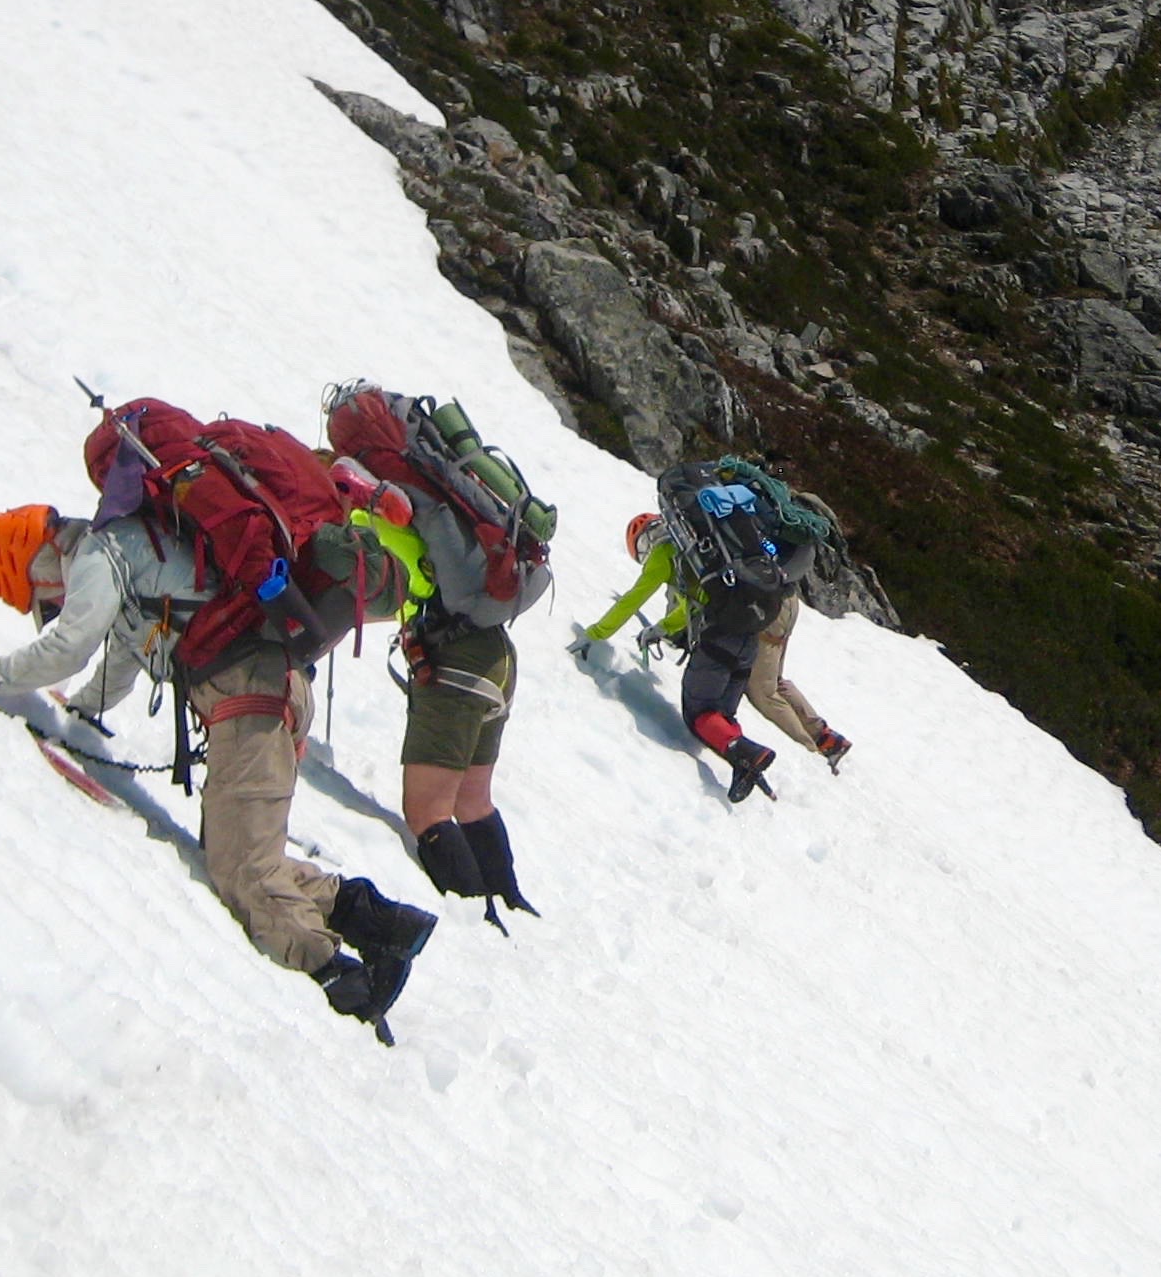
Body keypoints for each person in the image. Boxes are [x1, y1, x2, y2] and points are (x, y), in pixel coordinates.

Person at [0, 501, 436, 1036]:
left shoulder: (100, 552)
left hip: (248, 695)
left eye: (40, 596)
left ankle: (346, 990)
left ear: (38, 563)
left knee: (244, 873)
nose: (51, 605)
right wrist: (76, 714)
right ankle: (370, 917)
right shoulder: (132, 547)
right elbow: (124, 653)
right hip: (264, 688)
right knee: (239, 853)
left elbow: (69, 646)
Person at [322, 386, 549, 926]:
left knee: (427, 812)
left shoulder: (382, 510)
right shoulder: (431, 487)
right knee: (473, 800)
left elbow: (392, 589)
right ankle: (511, 903)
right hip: (495, 656)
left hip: (453, 664)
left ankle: (476, 924)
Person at [573, 476, 851, 801]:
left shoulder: (667, 554)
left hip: (723, 633)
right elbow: (690, 605)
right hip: (755, 627)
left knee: (701, 712)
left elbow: (631, 601)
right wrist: (661, 628)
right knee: (727, 709)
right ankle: (745, 763)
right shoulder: (705, 549)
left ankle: (761, 754)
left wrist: (594, 634)